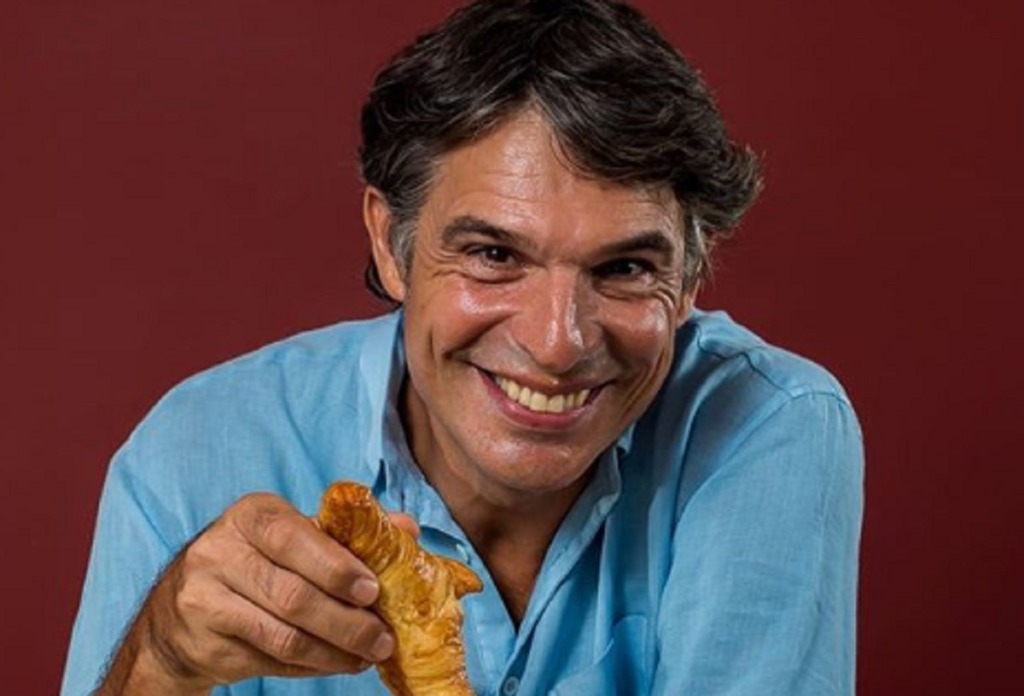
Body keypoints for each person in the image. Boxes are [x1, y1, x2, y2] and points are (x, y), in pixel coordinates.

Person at [62, 0, 864, 694]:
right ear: (391, 244)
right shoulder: (197, 453)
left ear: (689, 278)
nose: (557, 343)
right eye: (493, 255)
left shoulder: (764, 428)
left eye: (624, 268)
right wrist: (161, 663)